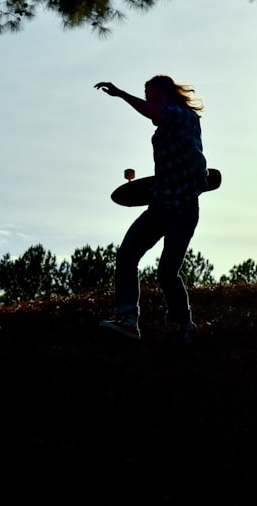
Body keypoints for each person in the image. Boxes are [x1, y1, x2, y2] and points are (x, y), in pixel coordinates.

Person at [94, 75, 209, 344]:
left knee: (167, 273)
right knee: (126, 256)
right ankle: (128, 321)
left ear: (169, 97)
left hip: (183, 207)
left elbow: (157, 113)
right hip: (160, 204)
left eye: (155, 98)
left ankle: (184, 325)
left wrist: (121, 94)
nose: (150, 105)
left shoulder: (184, 116)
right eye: (148, 98)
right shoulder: (163, 130)